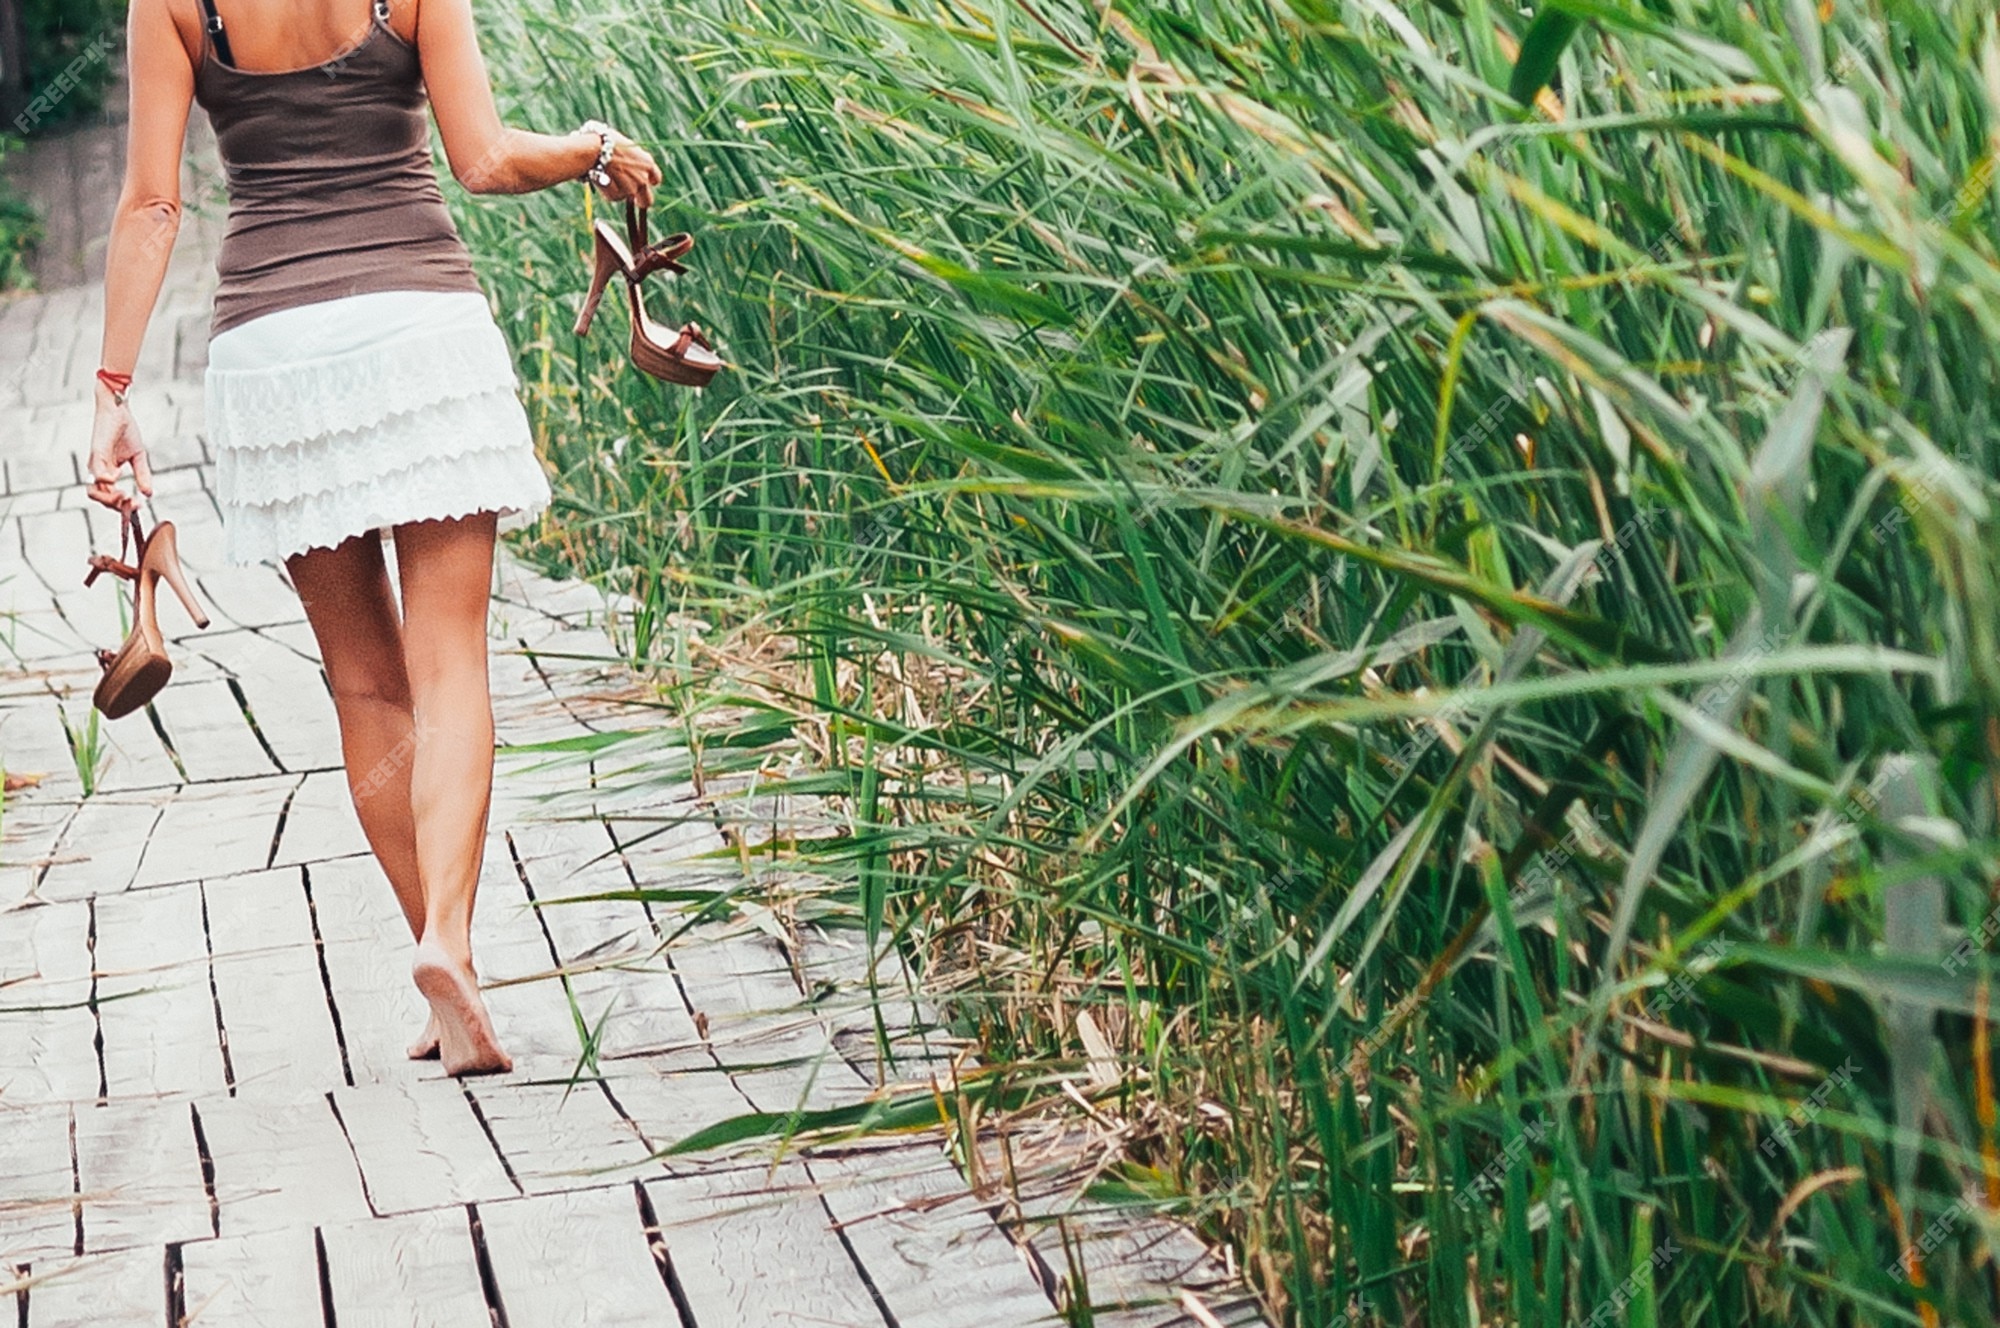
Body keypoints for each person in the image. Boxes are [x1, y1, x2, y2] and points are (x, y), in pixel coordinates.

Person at [86, 0, 663, 1074]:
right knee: (449, 669)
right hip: (418, 332)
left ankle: (449, 974)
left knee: (364, 683)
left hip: (274, 349)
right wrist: (588, 149)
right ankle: (447, 938)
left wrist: (113, 392)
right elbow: (483, 159)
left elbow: (153, 205)